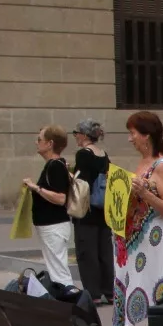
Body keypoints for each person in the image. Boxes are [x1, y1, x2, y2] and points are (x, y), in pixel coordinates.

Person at [112, 111, 163, 326]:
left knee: (155, 288)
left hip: (155, 241)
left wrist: (146, 195)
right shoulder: (144, 162)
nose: (130, 139)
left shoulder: (162, 165)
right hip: (140, 241)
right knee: (141, 285)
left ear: (146, 135)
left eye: (133, 133)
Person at [69, 119, 115, 303]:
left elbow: (82, 182)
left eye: (76, 133)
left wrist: (69, 175)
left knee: (87, 252)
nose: (75, 137)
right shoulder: (103, 154)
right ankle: (109, 291)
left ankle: (93, 294)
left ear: (84, 135)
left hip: (87, 209)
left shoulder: (83, 154)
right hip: (103, 210)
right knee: (104, 251)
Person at [24, 125, 73, 287]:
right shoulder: (55, 165)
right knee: (56, 269)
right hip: (51, 225)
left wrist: (35, 188)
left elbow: (60, 198)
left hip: (54, 225)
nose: (36, 142)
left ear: (50, 143)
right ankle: (63, 301)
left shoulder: (55, 166)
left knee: (59, 272)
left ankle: (70, 301)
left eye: (39, 139)